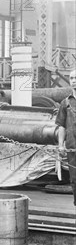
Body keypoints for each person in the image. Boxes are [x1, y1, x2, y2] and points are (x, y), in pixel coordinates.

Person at [56, 68, 76, 206]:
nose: (74, 81)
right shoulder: (65, 103)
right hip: (72, 149)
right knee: (74, 180)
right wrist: (60, 145)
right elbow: (61, 126)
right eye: (71, 78)